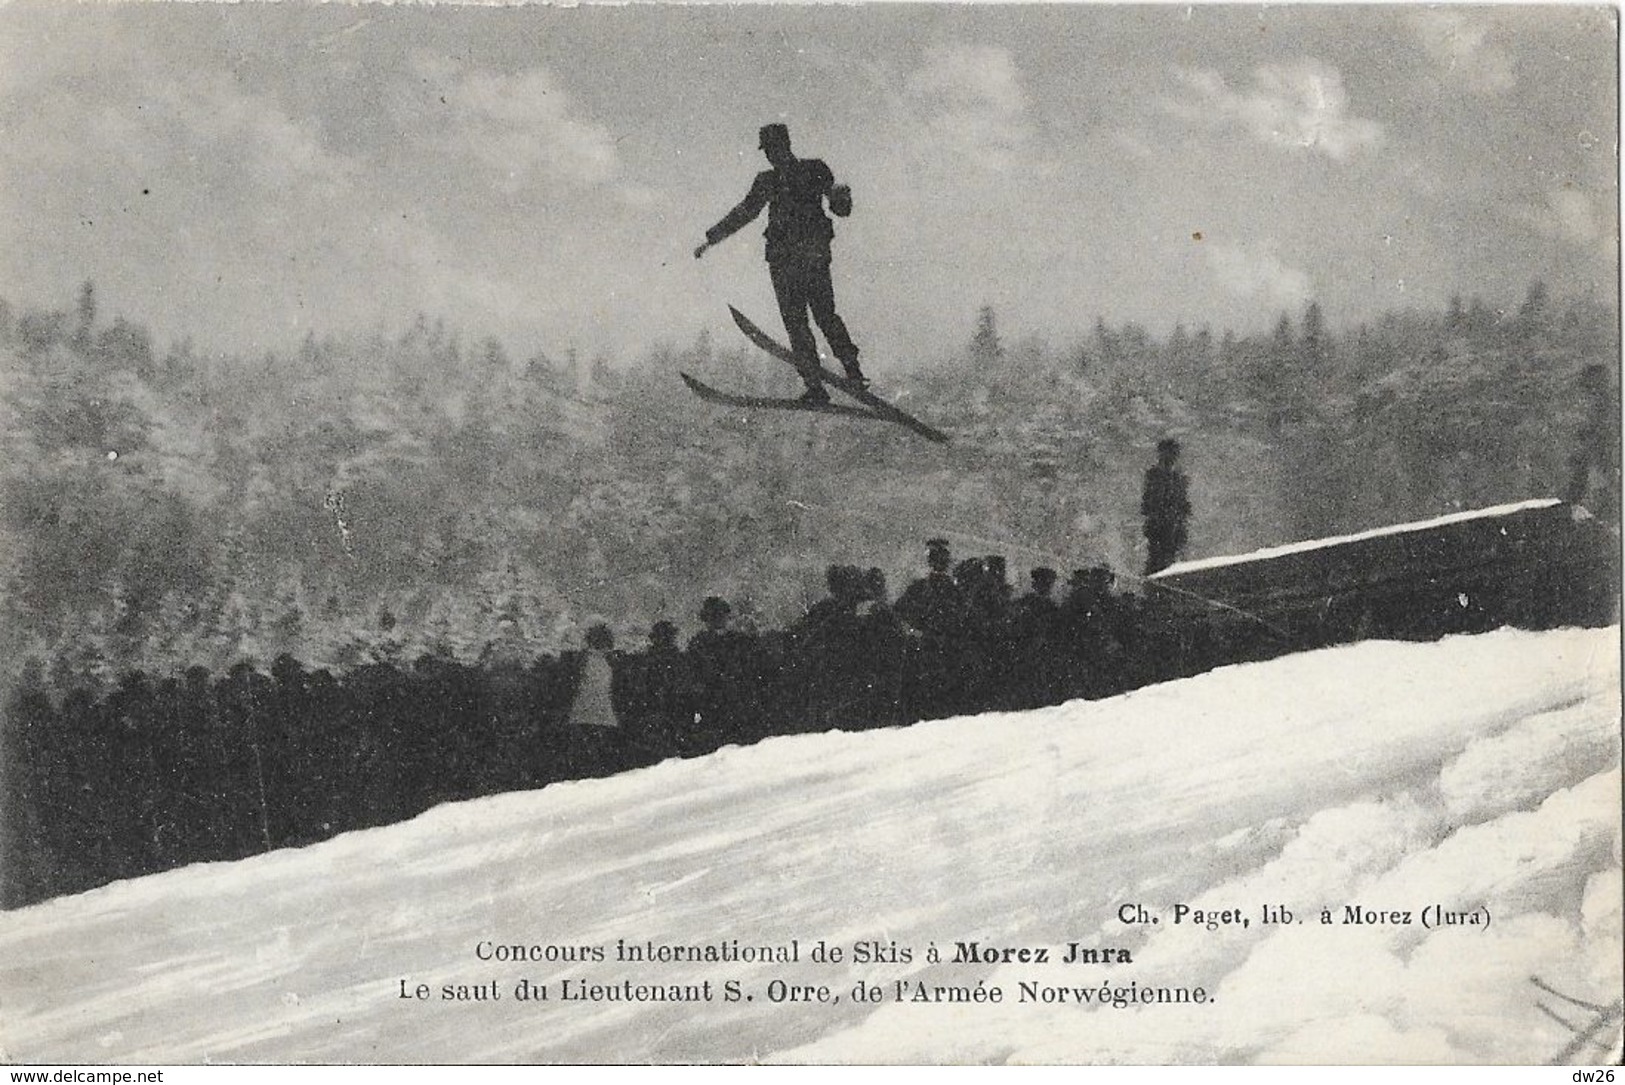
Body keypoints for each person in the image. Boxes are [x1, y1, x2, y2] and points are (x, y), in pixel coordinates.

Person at [695, 123, 865, 402]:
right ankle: (831, 380)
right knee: (811, 320)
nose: (770, 155)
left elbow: (840, 209)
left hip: (797, 260)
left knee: (810, 319)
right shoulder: (794, 174)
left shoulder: (800, 173)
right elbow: (744, 213)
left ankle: (839, 377)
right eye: (768, 150)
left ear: (784, 145)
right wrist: (711, 239)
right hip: (801, 259)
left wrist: (841, 196)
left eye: (772, 149)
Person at [1141, 438, 1192, 575]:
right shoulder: (1157, 476)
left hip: (1170, 528)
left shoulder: (1177, 478)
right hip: (1162, 528)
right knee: (1161, 560)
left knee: (1167, 559)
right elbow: (1148, 504)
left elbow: (1183, 505)